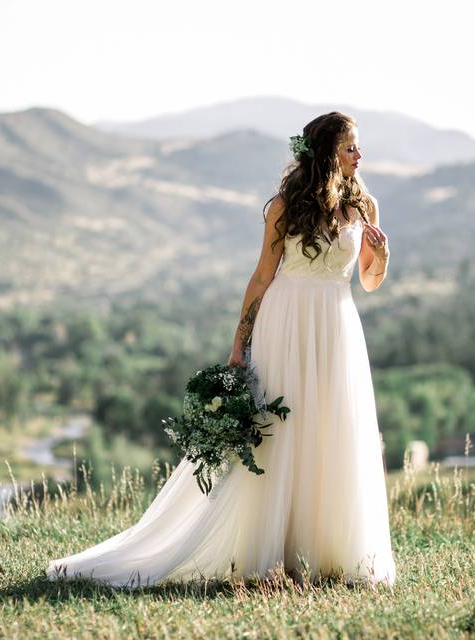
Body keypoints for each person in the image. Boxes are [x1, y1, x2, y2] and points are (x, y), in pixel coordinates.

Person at [47, 111, 395, 589]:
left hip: (337, 325)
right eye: (351, 148)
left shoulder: (365, 205)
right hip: (287, 323)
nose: (360, 156)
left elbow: (370, 282)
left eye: (358, 148)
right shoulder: (286, 207)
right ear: (327, 153)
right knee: (280, 434)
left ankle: (328, 554)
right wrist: (240, 344)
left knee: (332, 427)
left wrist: (381, 254)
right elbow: (261, 277)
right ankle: (273, 554)